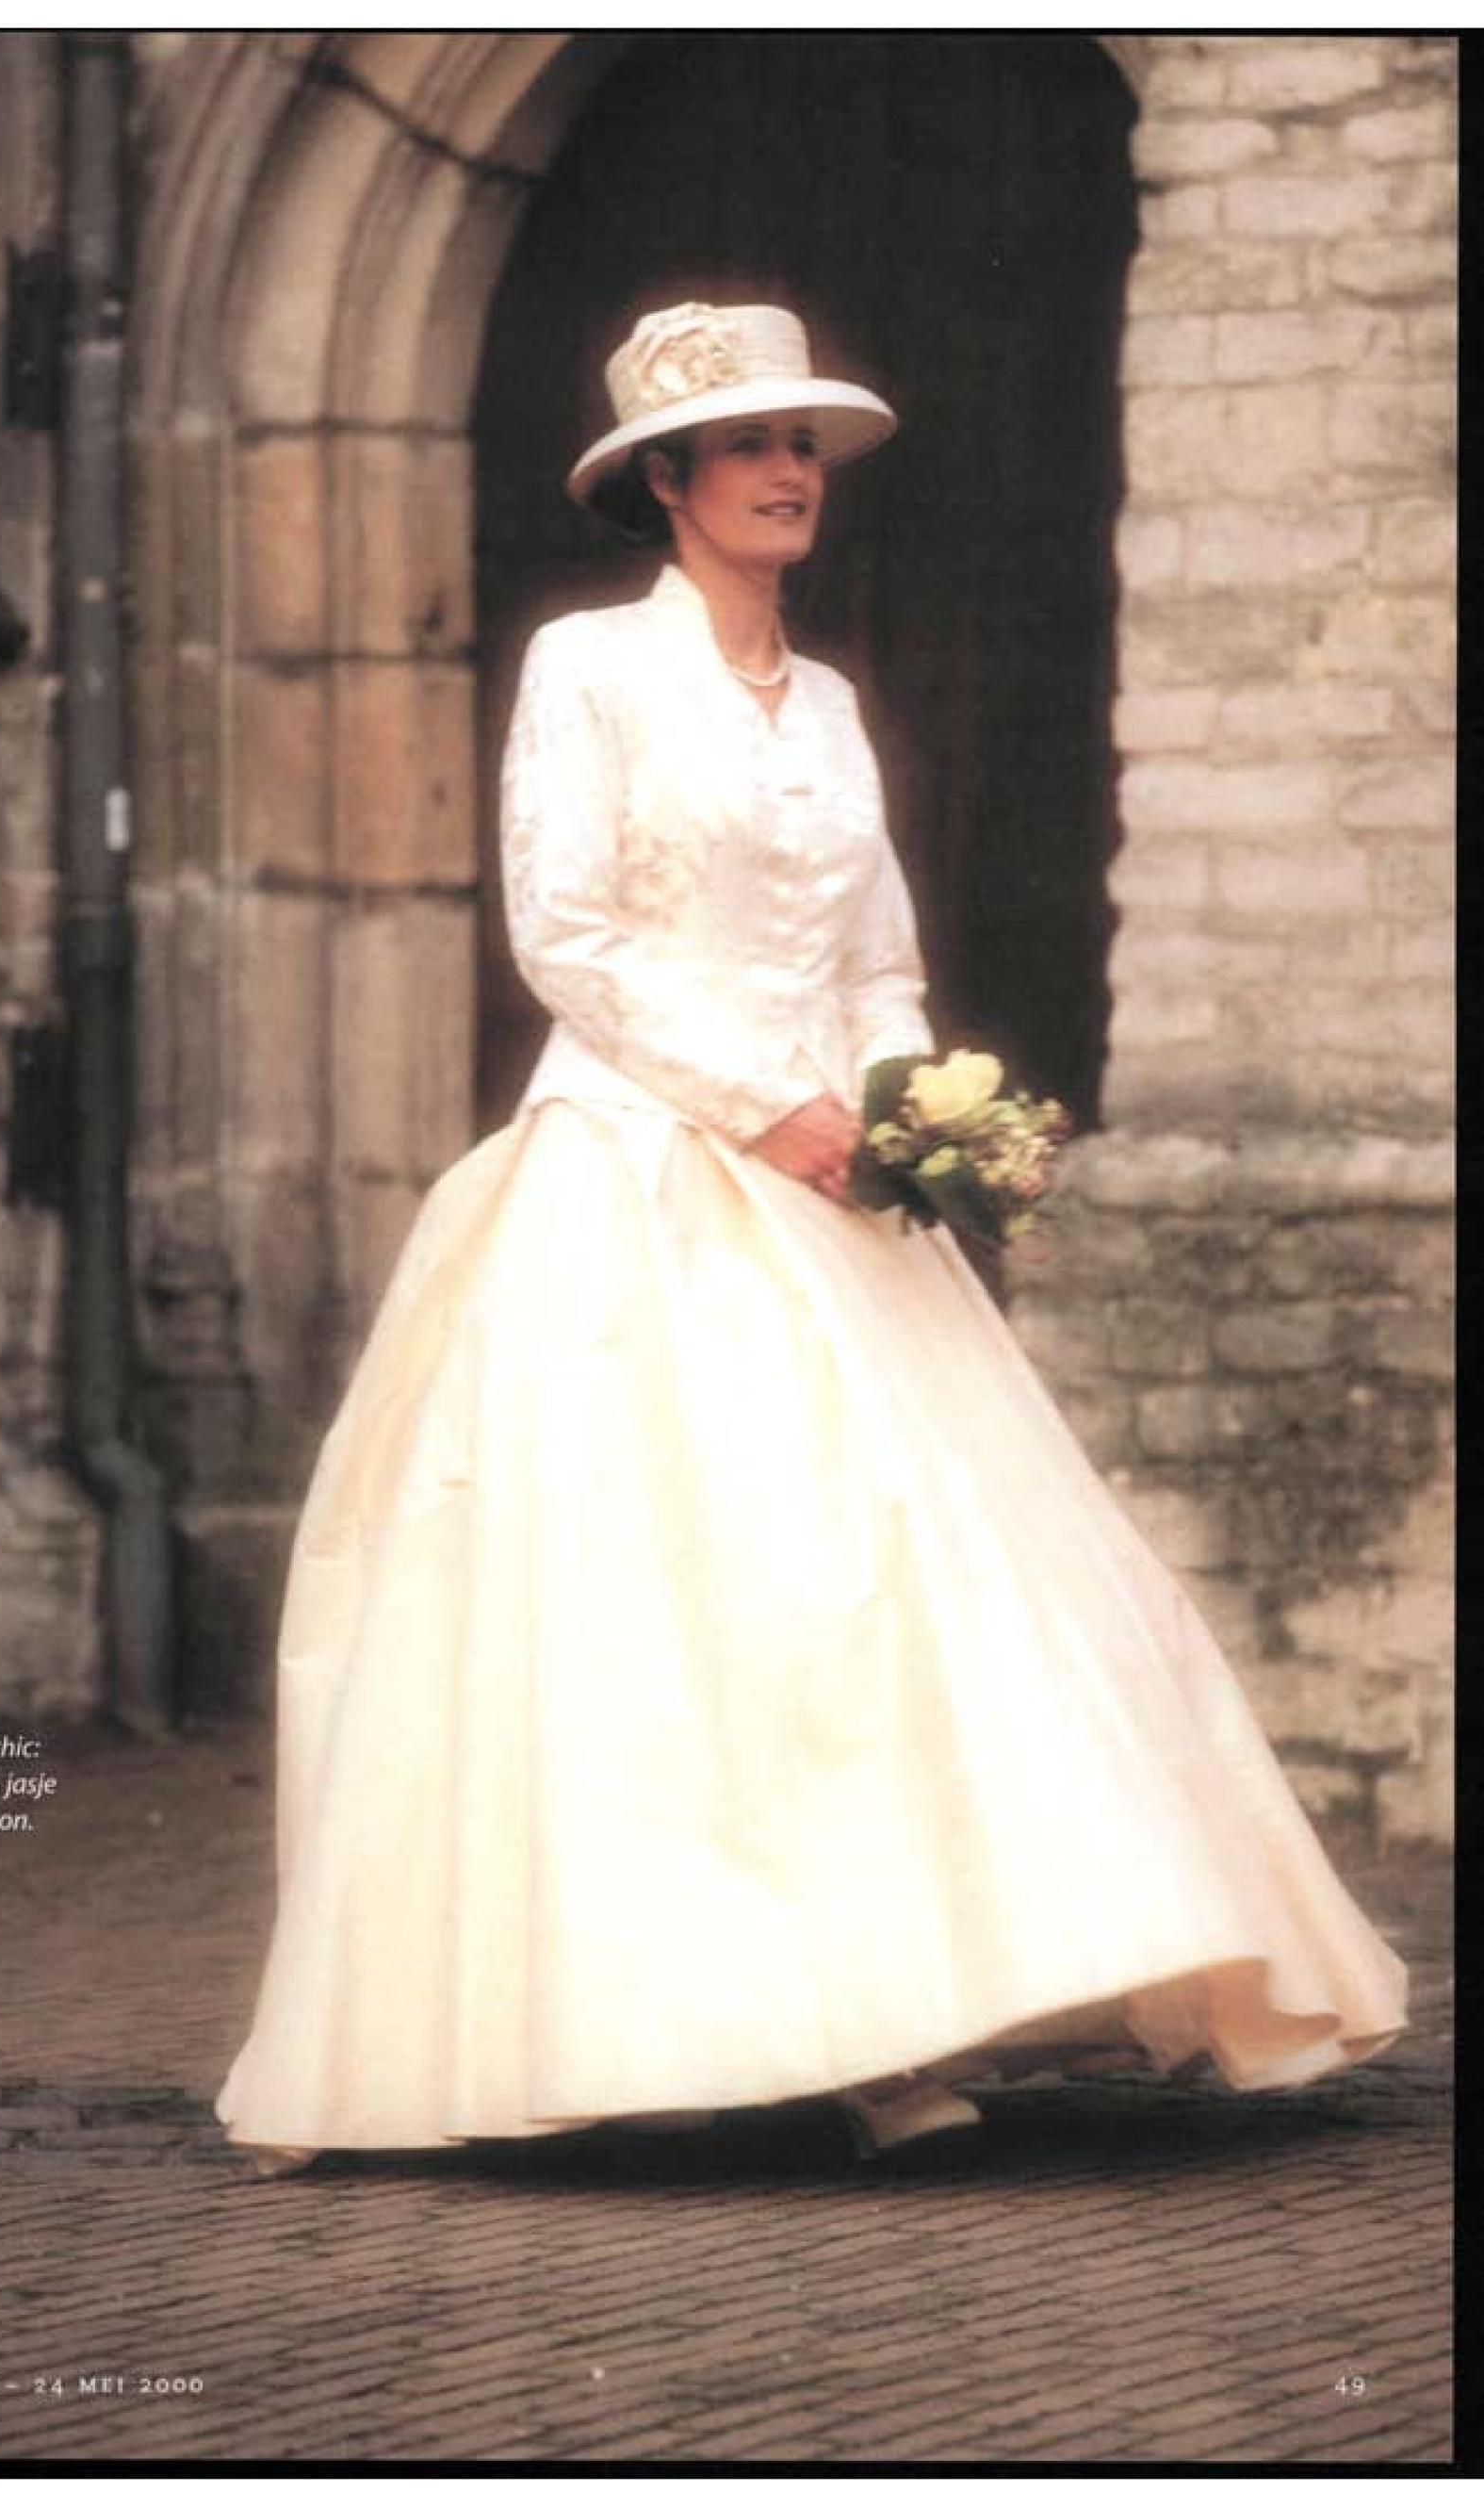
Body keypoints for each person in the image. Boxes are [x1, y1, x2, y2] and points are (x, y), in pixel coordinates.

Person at [215, 303, 1408, 2178]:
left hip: (837, 1186)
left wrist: (906, 1118)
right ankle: (721, 2024)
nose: (787, 474)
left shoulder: (833, 704)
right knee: (690, 1602)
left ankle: (888, 2015)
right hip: (641, 1167)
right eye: (747, 447)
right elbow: (567, 938)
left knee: (909, 1589)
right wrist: (756, 1104)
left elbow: (873, 961)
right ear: (665, 484)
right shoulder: (593, 670)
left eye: (803, 446)